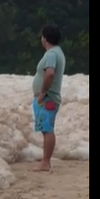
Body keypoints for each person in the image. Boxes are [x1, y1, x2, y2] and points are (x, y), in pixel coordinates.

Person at [31, 25, 66, 171]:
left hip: (48, 98)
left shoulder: (51, 54)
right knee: (47, 128)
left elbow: (50, 73)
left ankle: (45, 162)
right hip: (50, 97)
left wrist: (42, 93)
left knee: (47, 129)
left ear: (45, 39)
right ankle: (46, 159)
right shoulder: (57, 52)